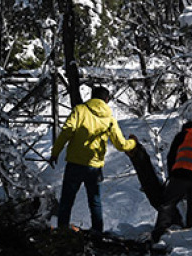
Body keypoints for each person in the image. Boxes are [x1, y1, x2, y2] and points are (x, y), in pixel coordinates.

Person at [49, 85, 137, 234]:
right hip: (94, 167)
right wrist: (133, 143)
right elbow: (121, 145)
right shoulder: (109, 119)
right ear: (106, 100)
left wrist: (55, 152)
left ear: (92, 96)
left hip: (75, 164)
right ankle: (97, 232)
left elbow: (66, 132)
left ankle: (62, 232)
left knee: (67, 201)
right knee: (94, 201)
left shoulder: (80, 110)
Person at [151, 119, 192, 243]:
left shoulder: (184, 134)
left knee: (168, 203)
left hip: (181, 173)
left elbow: (171, 155)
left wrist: (171, 174)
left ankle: (159, 234)